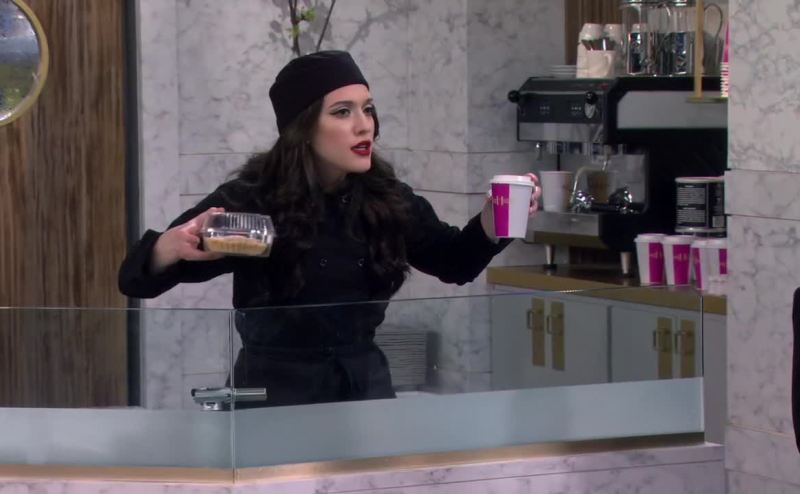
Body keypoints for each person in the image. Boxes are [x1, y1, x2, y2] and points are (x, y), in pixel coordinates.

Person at [119, 50, 541, 408]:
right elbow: (136, 279)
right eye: (343, 112)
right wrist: (168, 248)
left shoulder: (385, 199)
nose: (364, 125)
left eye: (368, 109)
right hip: (273, 398)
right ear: (303, 129)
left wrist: (492, 221)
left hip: (364, 392)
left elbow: (454, 262)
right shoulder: (256, 200)